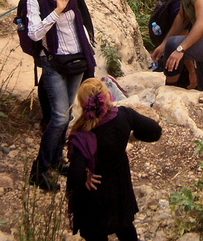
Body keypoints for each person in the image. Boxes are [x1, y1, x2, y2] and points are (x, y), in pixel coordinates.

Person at [27, 0, 96, 191]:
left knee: (67, 116)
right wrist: (57, 11)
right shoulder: (35, 0)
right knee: (57, 117)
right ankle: (39, 170)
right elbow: (34, 34)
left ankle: (57, 160)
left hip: (76, 61)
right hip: (54, 63)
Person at [67, 78, 162, 241]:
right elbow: (155, 131)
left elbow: (75, 175)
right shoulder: (123, 115)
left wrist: (85, 178)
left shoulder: (83, 135)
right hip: (120, 187)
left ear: (83, 103)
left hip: (95, 197)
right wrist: (132, 137)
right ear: (107, 96)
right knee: (126, 228)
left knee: (96, 234)